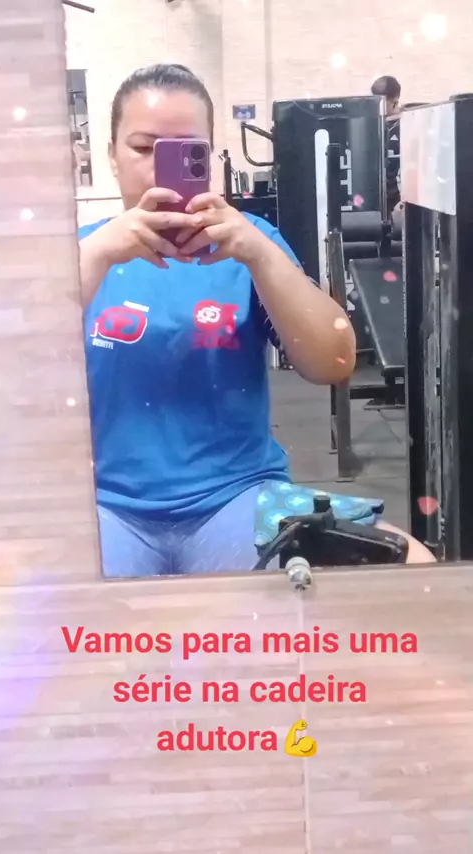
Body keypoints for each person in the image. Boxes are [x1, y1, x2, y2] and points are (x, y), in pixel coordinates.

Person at [79, 64, 433, 577]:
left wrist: (258, 253)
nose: (160, 169)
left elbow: (334, 362)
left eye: (185, 151)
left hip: (237, 498)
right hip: (106, 505)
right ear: (111, 154)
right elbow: (16, 375)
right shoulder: (80, 251)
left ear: (208, 157)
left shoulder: (250, 243)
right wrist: (95, 258)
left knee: (412, 566)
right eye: (142, 148)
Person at [371, 76, 402, 216]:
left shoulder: (407, 125)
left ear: (395, 102)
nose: (378, 108)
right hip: (376, 205)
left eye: (382, 103)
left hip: (398, 205)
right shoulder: (369, 126)